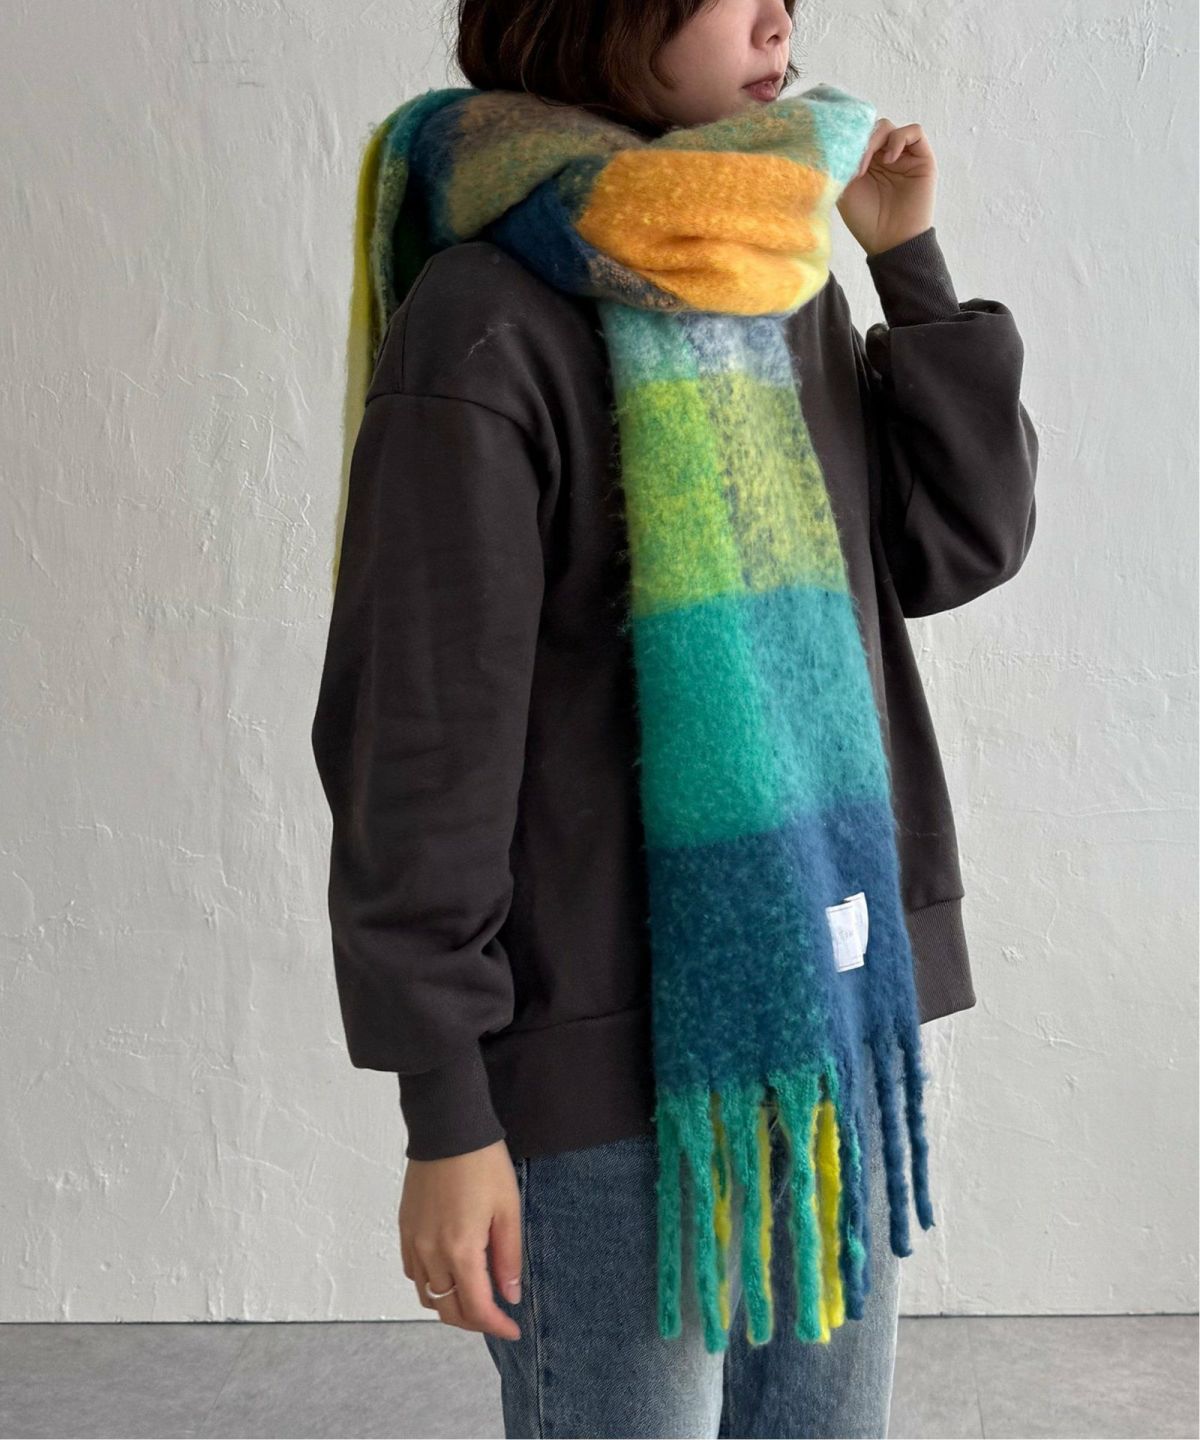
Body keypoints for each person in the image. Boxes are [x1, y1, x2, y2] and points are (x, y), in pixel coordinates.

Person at [310, 1, 1039, 1435]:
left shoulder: (774, 271)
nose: (778, 17)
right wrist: (446, 1110)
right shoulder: (485, 324)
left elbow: (955, 543)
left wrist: (907, 262)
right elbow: (420, 747)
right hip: (593, 1067)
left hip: (826, 998)